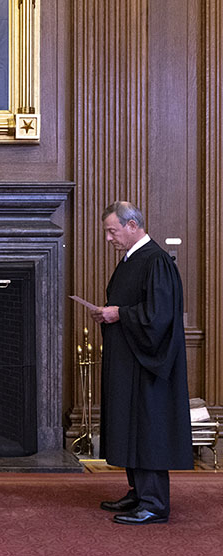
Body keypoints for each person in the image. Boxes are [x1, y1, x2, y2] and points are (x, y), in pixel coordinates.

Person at [89, 201, 193, 525]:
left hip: (148, 365)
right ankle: (138, 493)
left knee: (147, 429)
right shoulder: (131, 261)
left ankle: (155, 503)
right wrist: (109, 315)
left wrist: (118, 313)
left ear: (132, 225)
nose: (108, 238)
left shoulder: (156, 261)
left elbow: (158, 317)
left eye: (112, 230)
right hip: (128, 361)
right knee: (131, 427)